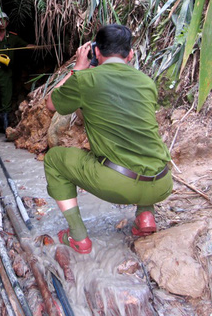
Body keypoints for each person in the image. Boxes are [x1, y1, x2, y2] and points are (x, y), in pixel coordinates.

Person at [44, 24, 172, 255]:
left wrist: (78, 68)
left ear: (96, 52)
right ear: (130, 54)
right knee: (140, 144)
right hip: (162, 183)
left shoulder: (86, 79)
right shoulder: (146, 83)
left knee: (54, 159)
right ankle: (145, 216)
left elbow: (51, 104)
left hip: (119, 185)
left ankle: (78, 237)